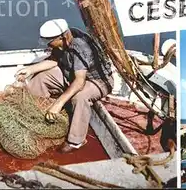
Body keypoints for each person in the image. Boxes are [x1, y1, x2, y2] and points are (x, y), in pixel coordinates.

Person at [15, 19, 114, 153]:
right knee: (42, 77)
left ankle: (76, 141)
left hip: (97, 81)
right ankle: (34, 113)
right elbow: (54, 60)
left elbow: (79, 82)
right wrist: (30, 70)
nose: (48, 45)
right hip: (71, 74)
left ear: (61, 37)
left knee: (79, 96)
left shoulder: (81, 47)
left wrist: (58, 104)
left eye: (50, 42)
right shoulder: (62, 41)